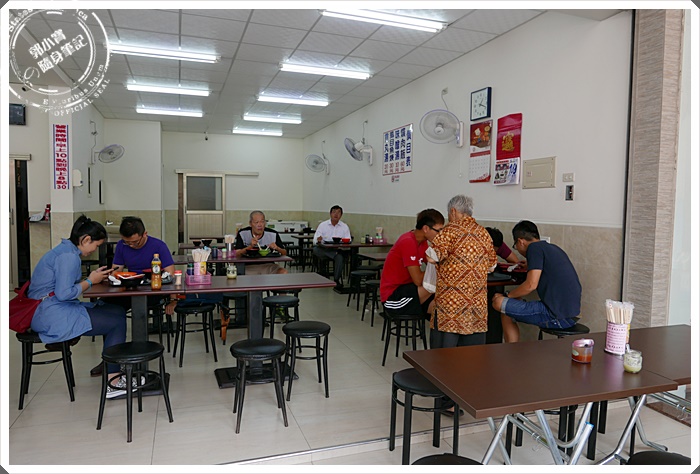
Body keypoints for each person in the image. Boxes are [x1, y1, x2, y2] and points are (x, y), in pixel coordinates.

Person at [28, 216, 130, 397]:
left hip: (50, 308)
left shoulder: (66, 250)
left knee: (117, 310)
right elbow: (64, 294)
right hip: (50, 314)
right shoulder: (69, 257)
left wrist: (92, 278)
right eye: (96, 245)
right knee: (116, 322)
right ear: (86, 239)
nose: (95, 250)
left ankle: (111, 365)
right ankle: (114, 383)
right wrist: (90, 281)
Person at [105, 216, 178, 376]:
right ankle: (112, 359)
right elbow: (116, 270)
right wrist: (114, 276)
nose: (131, 245)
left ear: (145, 234)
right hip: (130, 289)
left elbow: (171, 275)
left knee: (140, 309)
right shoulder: (121, 245)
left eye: (134, 242)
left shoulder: (158, 246)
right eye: (127, 242)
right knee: (109, 308)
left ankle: (139, 360)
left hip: (152, 290)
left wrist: (173, 300)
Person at [492, 220, 582, 343]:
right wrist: (529, 265)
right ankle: (512, 349)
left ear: (520, 241)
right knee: (508, 306)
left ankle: (511, 350)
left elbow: (531, 285)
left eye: (516, 246)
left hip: (556, 316)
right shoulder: (552, 248)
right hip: (571, 315)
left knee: (499, 303)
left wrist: (507, 296)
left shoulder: (533, 249)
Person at [426, 195, 497, 349]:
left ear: (453, 211)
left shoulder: (449, 231)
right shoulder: (483, 233)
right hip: (476, 303)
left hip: (451, 305)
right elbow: (492, 266)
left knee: (445, 354)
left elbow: (432, 257)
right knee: (471, 353)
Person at [380, 209, 444, 318]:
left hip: (410, 290)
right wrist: (436, 269)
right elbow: (418, 280)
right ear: (425, 228)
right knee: (432, 285)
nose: (440, 235)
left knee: (444, 305)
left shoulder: (422, 242)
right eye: (438, 231)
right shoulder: (408, 242)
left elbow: (434, 262)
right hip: (393, 297)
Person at [313, 205, 351, 287]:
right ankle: (325, 268)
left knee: (340, 257)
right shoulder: (323, 225)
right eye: (334, 212)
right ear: (330, 214)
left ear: (341, 215)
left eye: (338, 212)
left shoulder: (344, 226)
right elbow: (315, 240)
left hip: (337, 249)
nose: (336, 214)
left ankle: (336, 279)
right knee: (316, 249)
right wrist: (318, 239)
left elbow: (348, 240)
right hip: (323, 250)